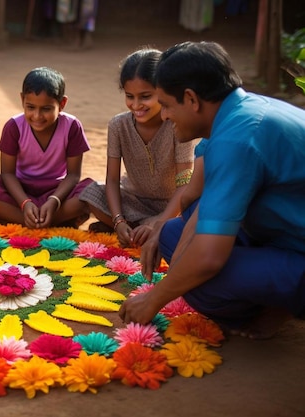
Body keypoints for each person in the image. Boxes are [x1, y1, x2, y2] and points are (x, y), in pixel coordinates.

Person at [119, 41, 305, 340]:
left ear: (191, 99)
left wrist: (154, 298)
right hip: (285, 234)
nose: (164, 116)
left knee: (200, 283)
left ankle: (271, 308)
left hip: (297, 249)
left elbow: (207, 259)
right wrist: (176, 262)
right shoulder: (241, 112)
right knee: (170, 236)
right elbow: (202, 199)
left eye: (166, 105)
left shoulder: (238, 139)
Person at [79, 48, 197, 248]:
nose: (135, 105)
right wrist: (118, 220)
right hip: (133, 202)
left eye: (145, 96)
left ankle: (151, 228)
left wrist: (160, 221)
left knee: (196, 212)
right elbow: (113, 179)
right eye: (129, 96)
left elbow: (185, 184)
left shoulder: (178, 124)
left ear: (164, 91)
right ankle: (135, 228)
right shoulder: (118, 125)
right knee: (91, 192)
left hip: (172, 206)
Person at [0, 66, 92, 229]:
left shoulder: (72, 126)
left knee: (92, 192)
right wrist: (25, 203)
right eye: (30, 107)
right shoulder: (14, 126)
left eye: (46, 109)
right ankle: (51, 221)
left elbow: (73, 175)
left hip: (56, 191)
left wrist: (54, 201)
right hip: (20, 190)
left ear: (62, 103)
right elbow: (7, 173)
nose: (37, 116)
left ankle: (19, 220)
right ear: (22, 100)